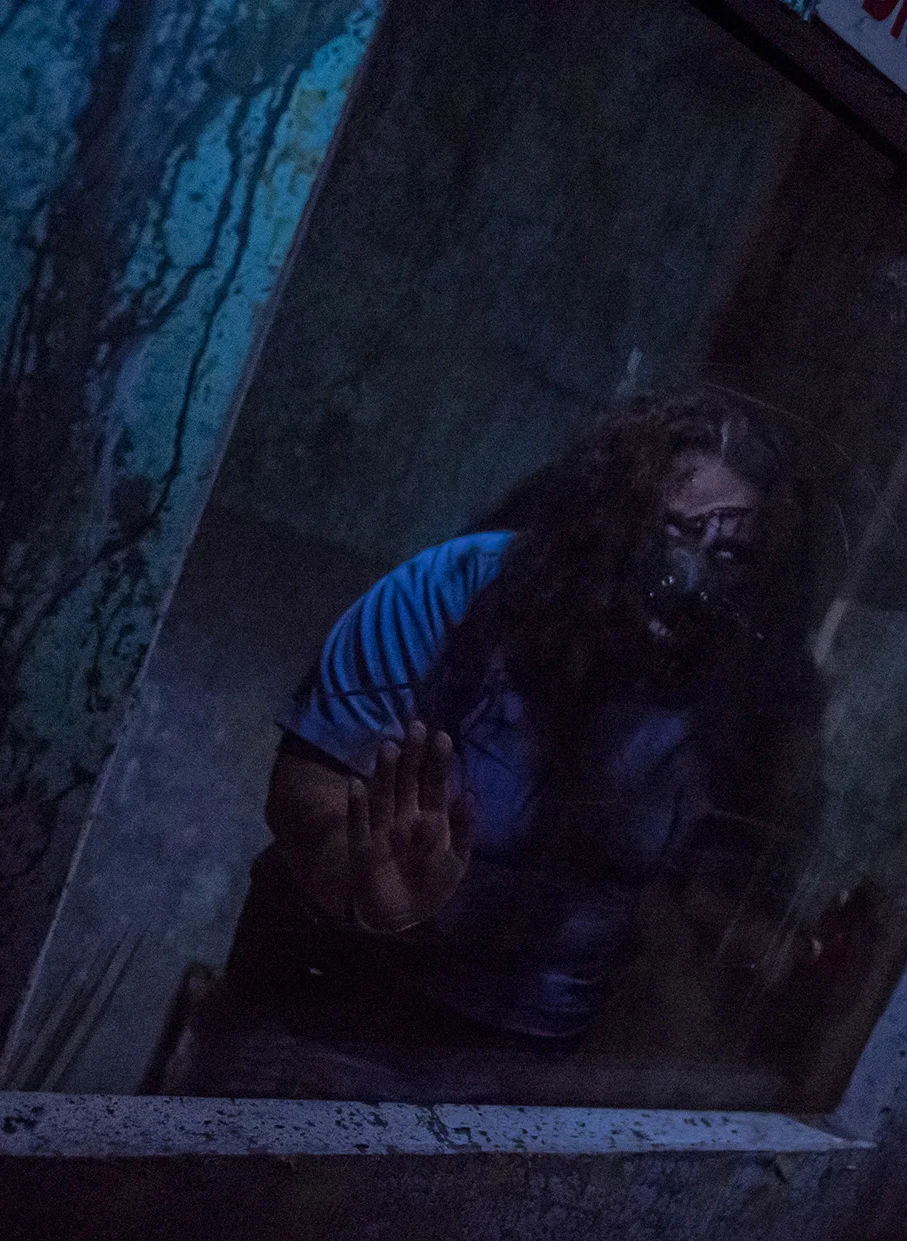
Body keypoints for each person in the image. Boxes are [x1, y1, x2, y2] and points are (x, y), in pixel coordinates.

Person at [165, 385, 838, 1101]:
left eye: (728, 553)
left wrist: (774, 954)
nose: (691, 576)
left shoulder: (734, 686)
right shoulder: (450, 590)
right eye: (672, 532)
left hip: (520, 1063)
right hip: (324, 1012)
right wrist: (364, 885)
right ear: (610, 517)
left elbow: (705, 883)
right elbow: (307, 781)